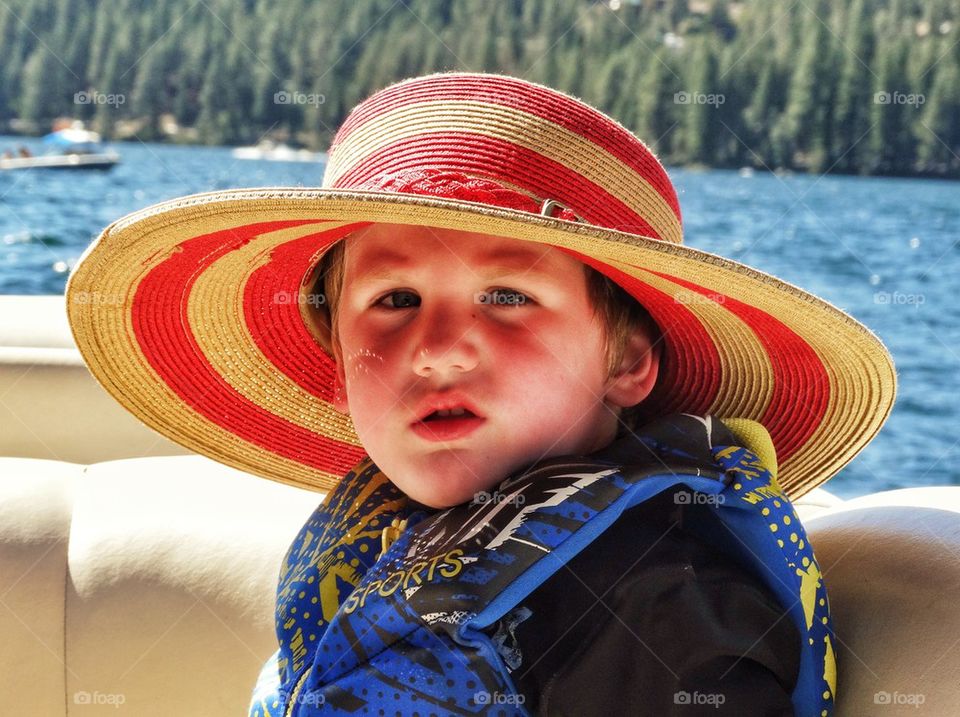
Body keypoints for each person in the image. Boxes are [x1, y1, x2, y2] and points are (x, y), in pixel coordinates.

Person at [66, 72, 897, 716]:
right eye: (393, 301)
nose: (434, 349)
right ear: (337, 358)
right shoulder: (389, 543)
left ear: (628, 361)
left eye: (506, 297)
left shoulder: (661, 606)